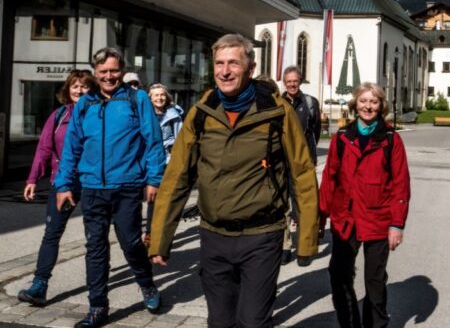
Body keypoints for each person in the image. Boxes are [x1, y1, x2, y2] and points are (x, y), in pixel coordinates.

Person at [149, 33, 320, 327]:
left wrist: (306, 240)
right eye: (219, 63)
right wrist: (160, 239)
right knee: (220, 322)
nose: (224, 71)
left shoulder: (277, 112)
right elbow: (176, 177)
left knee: (253, 321)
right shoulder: (201, 112)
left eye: (233, 63)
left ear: (250, 69)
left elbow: (302, 175)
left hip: (262, 235)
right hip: (214, 236)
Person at [55, 48, 165, 328]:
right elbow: (72, 147)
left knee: (130, 242)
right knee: (96, 247)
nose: (108, 76)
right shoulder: (85, 104)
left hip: (127, 185)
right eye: (103, 72)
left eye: (113, 71)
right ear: (95, 73)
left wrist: (154, 180)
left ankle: (147, 284)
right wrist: (64, 184)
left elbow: (153, 142)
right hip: (92, 187)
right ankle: (97, 307)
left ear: (122, 71)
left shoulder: (136, 98)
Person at [319, 82, 411, 328]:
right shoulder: (341, 137)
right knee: (339, 275)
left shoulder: (391, 139)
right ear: (355, 104)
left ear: (381, 106)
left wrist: (396, 224)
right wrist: (320, 216)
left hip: (378, 219)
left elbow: (400, 184)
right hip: (345, 218)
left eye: (373, 102)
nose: (367, 106)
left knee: (375, 280)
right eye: (363, 101)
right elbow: (329, 177)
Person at [17, 69, 97, 306]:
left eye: (84, 86)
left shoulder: (99, 113)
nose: (79, 90)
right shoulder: (59, 115)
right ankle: (39, 285)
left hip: (94, 183)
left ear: (92, 89)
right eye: (75, 86)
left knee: (95, 237)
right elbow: (44, 149)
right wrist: (32, 179)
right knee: (51, 234)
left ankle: (99, 292)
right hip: (63, 182)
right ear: (68, 89)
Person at [280, 65, 322, 265]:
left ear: (300, 81)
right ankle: (285, 246)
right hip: (282, 162)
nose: (292, 85)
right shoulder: (277, 102)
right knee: (283, 205)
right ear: (284, 82)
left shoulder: (310, 103)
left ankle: (304, 247)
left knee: (305, 204)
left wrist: (311, 157)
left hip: (303, 162)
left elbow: (316, 132)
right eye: (288, 81)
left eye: (295, 81)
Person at [142, 83, 184, 247]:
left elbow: (180, 139)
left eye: (162, 95)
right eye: (155, 95)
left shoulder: (174, 114)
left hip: (166, 162)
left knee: (157, 200)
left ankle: (151, 233)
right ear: (149, 98)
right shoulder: (144, 114)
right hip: (146, 160)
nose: (159, 98)